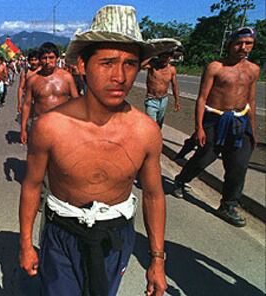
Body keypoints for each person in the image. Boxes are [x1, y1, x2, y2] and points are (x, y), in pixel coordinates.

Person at [19, 5, 180, 296]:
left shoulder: (146, 131)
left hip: (115, 235)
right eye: (107, 63)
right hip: (62, 233)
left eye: (130, 64)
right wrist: (25, 243)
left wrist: (157, 260)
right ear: (82, 65)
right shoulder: (50, 126)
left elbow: (154, 195)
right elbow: (31, 186)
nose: (120, 76)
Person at [172, 27, 260, 227]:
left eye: (248, 43)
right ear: (230, 44)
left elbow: (252, 101)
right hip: (215, 120)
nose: (243, 47)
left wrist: (252, 130)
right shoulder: (215, 67)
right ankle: (181, 180)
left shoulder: (253, 69)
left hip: (240, 122)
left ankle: (228, 205)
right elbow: (202, 98)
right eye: (239, 43)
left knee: (238, 166)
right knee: (203, 158)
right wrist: (199, 127)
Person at [20, 42, 79, 144]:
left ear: (57, 58)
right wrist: (23, 128)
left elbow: (76, 101)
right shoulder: (33, 80)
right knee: (40, 157)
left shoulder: (67, 77)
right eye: (44, 58)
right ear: (40, 60)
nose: (48, 61)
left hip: (63, 125)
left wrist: (79, 125)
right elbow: (27, 105)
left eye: (51, 58)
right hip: (41, 125)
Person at [142, 49, 180, 128]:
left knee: (159, 124)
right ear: (159, 57)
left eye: (167, 57)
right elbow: (140, 65)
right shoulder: (152, 65)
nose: (165, 59)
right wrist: (152, 55)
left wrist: (177, 101)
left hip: (163, 100)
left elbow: (174, 85)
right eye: (163, 57)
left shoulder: (172, 69)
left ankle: (156, 138)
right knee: (152, 124)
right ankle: (151, 139)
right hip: (151, 99)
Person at [16, 49, 40, 115]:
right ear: (29, 61)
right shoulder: (25, 72)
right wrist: (19, 103)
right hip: (27, 100)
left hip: (40, 101)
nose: (34, 62)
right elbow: (21, 87)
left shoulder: (42, 71)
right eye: (32, 60)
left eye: (35, 60)